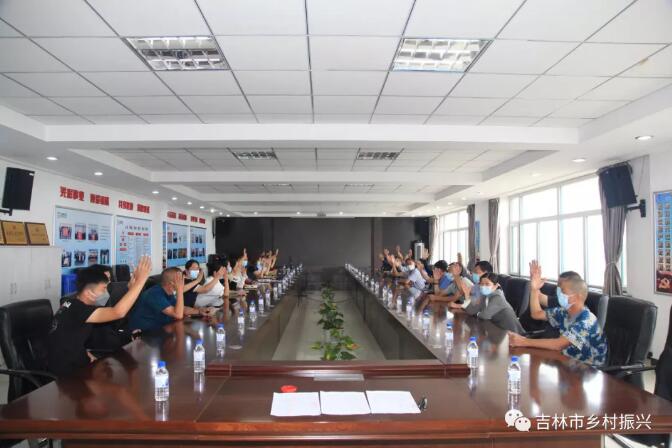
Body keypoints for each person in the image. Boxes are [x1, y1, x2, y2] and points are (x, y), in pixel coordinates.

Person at [47, 256, 152, 377]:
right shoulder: (79, 309)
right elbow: (117, 312)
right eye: (103, 288)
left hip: (76, 362)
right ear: (88, 293)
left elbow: (70, 339)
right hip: (67, 374)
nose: (106, 292)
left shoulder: (72, 303)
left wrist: (87, 355)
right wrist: (141, 281)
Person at [508, 261, 608, 366]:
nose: (559, 294)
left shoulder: (586, 321)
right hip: (566, 362)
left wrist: (523, 341)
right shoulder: (563, 312)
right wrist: (534, 289)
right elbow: (536, 314)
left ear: (576, 297)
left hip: (588, 370)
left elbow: (558, 344)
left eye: (562, 291)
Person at [127, 267, 211, 332]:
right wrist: (180, 290)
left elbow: (180, 308)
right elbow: (178, 315)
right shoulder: (155, 294)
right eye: (181, 280)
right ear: (172, 283)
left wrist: (199, 311)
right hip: (144, 336)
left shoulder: (168, 292)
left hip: (161, 329)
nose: (183, 281)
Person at [452, 272, 524, 334]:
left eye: (487, 284)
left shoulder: (498, 298)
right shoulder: (485, 295)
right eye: (481, 284)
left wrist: (478, 313)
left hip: (513, 334)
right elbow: (471, 311)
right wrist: (467, 295)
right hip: (497, 330)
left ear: (495, 286)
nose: (483, 286)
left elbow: (484, 316)